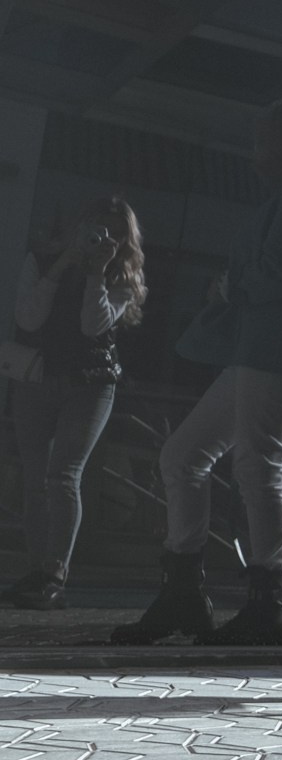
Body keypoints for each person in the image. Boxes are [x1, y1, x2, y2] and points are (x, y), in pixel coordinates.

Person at [111, 99, 282, 647]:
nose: (255, 154)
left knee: (250, 467)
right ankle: (225, 597)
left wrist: (230, 286)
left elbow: (278, 276)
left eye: (264, 141)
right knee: (194, 458)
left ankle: (248, 601)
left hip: (271, 349)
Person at [3, 200, 146, 610]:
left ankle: (54, 574)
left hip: (92, 384)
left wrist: (96, 272)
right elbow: (27, 318)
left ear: (126, 240)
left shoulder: (122, 275)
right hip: (36, 377)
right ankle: (34, 572)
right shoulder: (44, 258)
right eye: (99, 229)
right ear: (82, 226)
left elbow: (92, 326)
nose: (106, 239)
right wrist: (64, 262)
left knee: (63, 475)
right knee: (33, 477)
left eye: (117, 233)